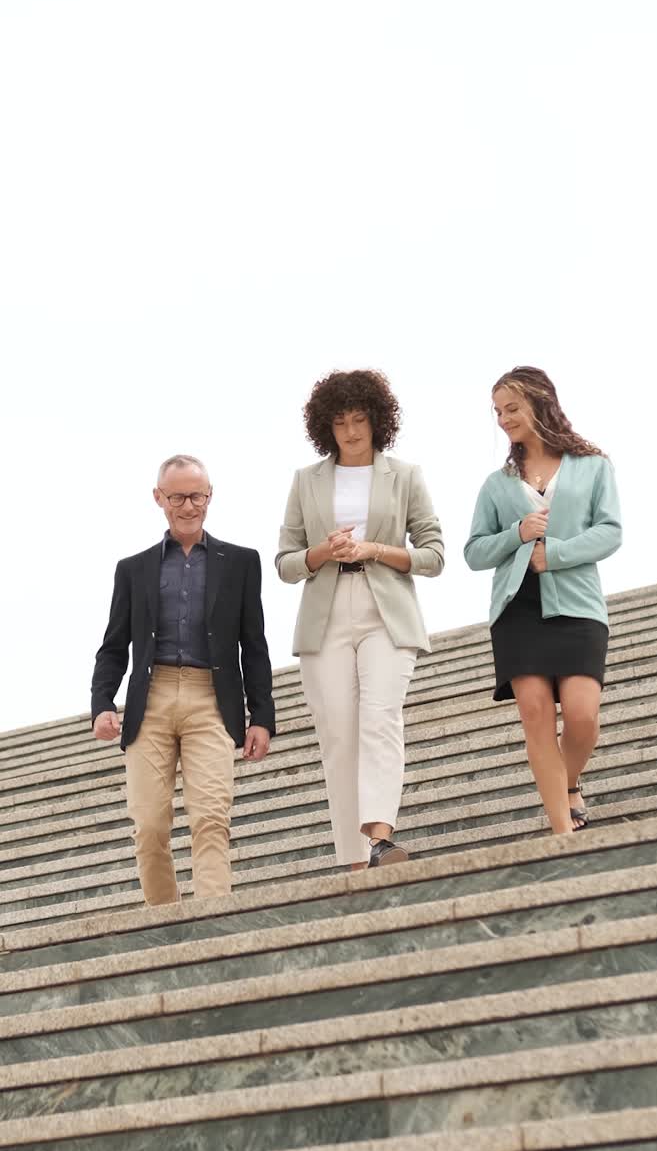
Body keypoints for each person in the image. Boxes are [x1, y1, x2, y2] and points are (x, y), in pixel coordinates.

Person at [276, 370, 444, 871]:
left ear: (376, 420)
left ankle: (381, 838)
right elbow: (285, 563)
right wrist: (323, 551)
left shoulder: (405, 476)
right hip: (325, 613)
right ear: (325, 426)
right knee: (338, 736)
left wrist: (374, 549)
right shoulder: (305, 480)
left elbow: (433, 555)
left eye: (359, 419)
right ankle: (355, 860)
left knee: (380, 717)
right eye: (340, 422)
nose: (350, 431)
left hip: (386, 610)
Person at [91, 455, 275, 904]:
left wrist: (261, 717)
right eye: (177, 497)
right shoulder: (132, 569)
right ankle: (167, 924)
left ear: (210, 496)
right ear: (159, 498)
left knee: (211, 818)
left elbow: (253, 644)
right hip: (150, 701)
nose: (189, 506)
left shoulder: (241, 562)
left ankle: (212, 921)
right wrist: (102, 704)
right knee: (149, 826)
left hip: (210, 699)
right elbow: (113, 646)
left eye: (197, 496)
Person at [464, 366, 622, 835]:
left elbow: (610, 531)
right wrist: (517, 533)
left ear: (540, 402)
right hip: (517, 609)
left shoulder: (593, 466)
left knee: (582, 717)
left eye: (512, 408)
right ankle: (562, 833)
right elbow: (474, 552)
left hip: (578, 604)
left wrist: (554, 555)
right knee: (535, 715)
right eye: (498, 412)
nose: (504, 419)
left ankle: (568, 782)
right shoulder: (497, 484)